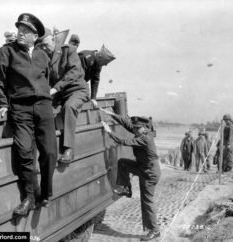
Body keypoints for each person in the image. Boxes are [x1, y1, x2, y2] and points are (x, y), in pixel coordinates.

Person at [0, 13, 57, 216]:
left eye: (26, 31)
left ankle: (45, 193)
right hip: (20, 108)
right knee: (24, 150)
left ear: (35, 36)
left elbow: (49, 80)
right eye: (19, 29)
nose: (20, 33)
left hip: (44, 107)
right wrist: (2, 103)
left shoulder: (42, 55)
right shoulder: (7, 52)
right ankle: (29, 196)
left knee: (49, 152)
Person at [101, 109, 161, 241]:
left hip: (150, 173)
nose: (135, 130)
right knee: (122, 163)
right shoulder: (142, 132)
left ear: (144, 128)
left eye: (137, 128)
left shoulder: (145, 138)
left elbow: (124, 141)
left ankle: (155, 230)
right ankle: (126, 189)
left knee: (147, 202)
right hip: (143, 168)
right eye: (135, 128)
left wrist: (109, 131)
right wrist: (112, 114)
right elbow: (127, 124)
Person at [37, 27, 89, 164]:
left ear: (53, 39)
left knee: (69, 107)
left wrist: (55, 89)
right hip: (61, 94)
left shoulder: (69, 50)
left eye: (45, 44)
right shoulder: (45, 57)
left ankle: (69, 148)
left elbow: (74, 72)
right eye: (41, 45)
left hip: (77, 90)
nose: (44, 48)